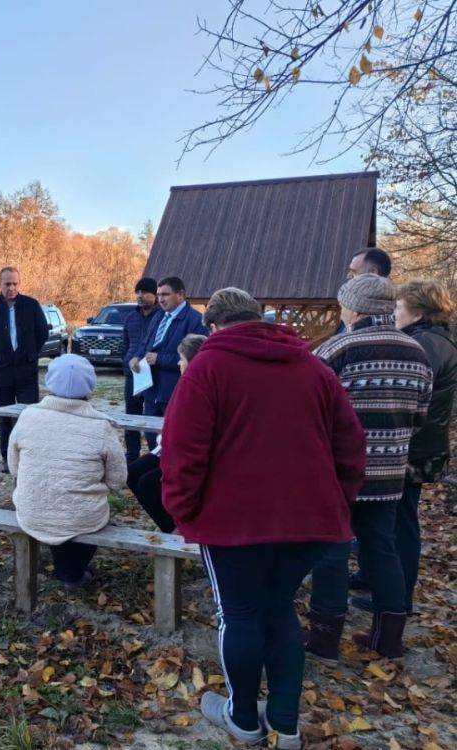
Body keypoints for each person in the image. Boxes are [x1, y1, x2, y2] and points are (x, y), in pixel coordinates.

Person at [161, 288, 366, 749]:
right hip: (308, 520)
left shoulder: (207, 370)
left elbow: (181, 453)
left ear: (212, 327)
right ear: (261, 318)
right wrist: (336, 500)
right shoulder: (314, 369)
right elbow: (352, 447)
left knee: (239, 614)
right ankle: (286, 725)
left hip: (233, 524)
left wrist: (184, 511)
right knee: (280, 611)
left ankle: (243, 718)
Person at [307, 274, 432, 660]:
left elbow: (310, 412)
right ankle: (389, 638)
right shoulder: (417, 352)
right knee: (382, 548)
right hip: (390, 470)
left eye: (344, 303)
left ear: (355, 308)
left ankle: (325, 638)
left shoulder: (337, 349)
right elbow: (421, 415)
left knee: (331, 550)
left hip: (338, 472)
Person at [351, 279, 455, 615]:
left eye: (400, 307)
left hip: (412, 448)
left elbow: (410, 390)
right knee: (388, 518)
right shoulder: (431, 338)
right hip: (417, 444)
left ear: (418, 310)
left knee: (400, 522)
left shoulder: (425, 343)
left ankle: (398, 599)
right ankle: (376, 579)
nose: (395, 312)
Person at [7, 354, 127, 587]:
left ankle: (68, 570)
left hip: (31, 510)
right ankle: (72, 574)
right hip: (83, 516)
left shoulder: (28, 416)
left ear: (49, 382)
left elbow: (14, 467)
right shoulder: (101, 426)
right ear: (91, 385)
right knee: (80, 515)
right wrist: (93, 487)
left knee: (60, 508)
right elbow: (118, 479)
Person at [126, 333, 206, 533]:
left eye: (182, 359)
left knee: (148, 483)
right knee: (133, 472)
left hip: (184, 454)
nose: (179, 363)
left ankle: (176, 529)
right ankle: (169, 526)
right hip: (168, 447)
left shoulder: (200, 386)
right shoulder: (184, 382)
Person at [0, 267, 49, 472]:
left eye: (15, 283)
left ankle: (28, 457)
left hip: (26, 370)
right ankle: (7, 458)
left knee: (29, 415)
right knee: (5, 417)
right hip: (1, 372)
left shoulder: (31, 305)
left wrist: (30, 352)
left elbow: (42, 332)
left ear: (20, 283)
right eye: (7, 284)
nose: (11, 288)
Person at [130, 277, 207, 433]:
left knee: (172, 436)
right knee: (152, 437)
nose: (161, 299)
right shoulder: (159, 316)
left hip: (174, 391)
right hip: (151, 389)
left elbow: (196, 359)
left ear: (181, 295)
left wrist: (160, 359)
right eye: (158, 295)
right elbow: (147, 342)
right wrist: (137, 357)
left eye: (165, 294)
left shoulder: (196, 321)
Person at [121, 277, 160, 462]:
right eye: (138, 292)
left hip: (154, 374)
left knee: (152, 417)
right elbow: (126, 344)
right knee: (131, 417)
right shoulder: (130, 318)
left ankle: (154, 455)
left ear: (155, 296)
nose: (140, 296)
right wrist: (127, 361)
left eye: (145, 292)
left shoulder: (161, 317)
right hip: (133, 374)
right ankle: (132, 456)